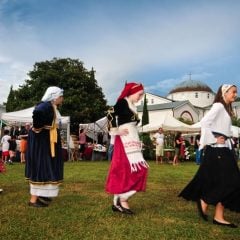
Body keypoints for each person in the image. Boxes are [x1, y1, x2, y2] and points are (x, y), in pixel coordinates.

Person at [179, 84, 240, 228]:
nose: (235, 94)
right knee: (232, 182)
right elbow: (205, 123)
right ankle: (205, 201)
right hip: (218, 149)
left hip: (225, 149)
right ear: (224, 93)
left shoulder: (225, 108)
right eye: (233, 92)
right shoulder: (218, 106)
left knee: (227, 182)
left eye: (236, 92)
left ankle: (219, 216)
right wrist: (213, 139)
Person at [105, 82, 149, 214]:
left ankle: (118, 201)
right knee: (125, 170)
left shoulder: (132, 106)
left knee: (133, 170)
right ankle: (122, 200)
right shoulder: (123, 103)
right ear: (132, 92)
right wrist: (115, 130)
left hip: (132, 141)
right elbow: (109, 113)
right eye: (139, 94)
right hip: (124, 142)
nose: (140, 97)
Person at [25, 86, 64, 207]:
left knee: (47, 165)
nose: (62, 99)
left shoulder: (51, 106)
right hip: (42, 141)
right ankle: (33, 200)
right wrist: (37, 129)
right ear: (55, 97)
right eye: (61, 96)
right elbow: (37, 112)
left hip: (46, 140)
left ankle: (42, 193)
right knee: (41, 164)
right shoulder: (45, 106)